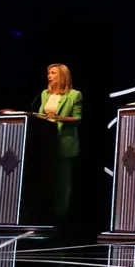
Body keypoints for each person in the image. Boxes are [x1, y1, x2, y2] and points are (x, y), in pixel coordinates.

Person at [38, 64, 82, 221]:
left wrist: (58, 118)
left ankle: (61, 216)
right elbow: (41, 115)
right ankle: (45, 213)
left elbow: (78, 119)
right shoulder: (45, 94)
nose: (49, 75)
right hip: (46, 142)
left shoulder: (74, 95)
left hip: (65, 142)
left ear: (62, 76)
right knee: (46, 178)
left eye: (53, 73)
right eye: (48, 72)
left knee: (63, 182)